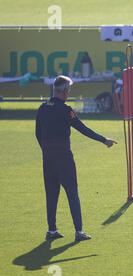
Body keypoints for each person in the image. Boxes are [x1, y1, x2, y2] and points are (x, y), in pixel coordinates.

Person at [35, 75, 117, 241]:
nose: (69, 93)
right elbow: (82, 128)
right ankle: (79, 231)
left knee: (51, 193)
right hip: (63, 157)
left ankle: (51, 230)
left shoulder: (42, 108)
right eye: (68, 90)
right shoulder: (66, 110)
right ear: (64, 91)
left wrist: (46, 150)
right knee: (72, 192)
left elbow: (38, 133)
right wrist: (104, 140)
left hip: (48, 157)